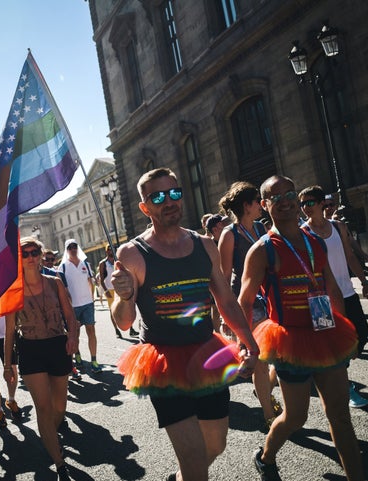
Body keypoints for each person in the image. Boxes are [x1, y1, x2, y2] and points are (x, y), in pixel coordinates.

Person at [111, 168, 259, 481]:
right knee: (194, 460)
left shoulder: (205, 245)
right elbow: (124, 322)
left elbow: (226, 301)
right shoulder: (133, 253)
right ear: (145, 207)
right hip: (164, 364)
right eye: (158, 197)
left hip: (208, 355)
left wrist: (247, 338)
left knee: (215, 446)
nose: (169, 201)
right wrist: (123, 296)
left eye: (174, 193)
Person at [240, 175, 363, 481]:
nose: (285, 201)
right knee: (296, 417)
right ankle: (266, 457)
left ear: (298, 199)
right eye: (275, 197)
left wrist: (343, 333)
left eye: (289, 194)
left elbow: (332, 288)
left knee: (340, 417)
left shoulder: (315, 242)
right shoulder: (262, 250)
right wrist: (247, 347)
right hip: (289, 342)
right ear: (265, 205)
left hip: (325, 335)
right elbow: (243, 302)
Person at [4, 237, 80, 480]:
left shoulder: (54, 282)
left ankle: (50, 434)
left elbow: (71, 317)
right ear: (19, 258)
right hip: (30, 349)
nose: (30, 257)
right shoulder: (13, 290)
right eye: (24, 253)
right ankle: (59, 461)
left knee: (60, 406)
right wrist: (7, 364)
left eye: (34, 252)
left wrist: (73, 338)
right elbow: (8, 331)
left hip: (58, 346)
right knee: (43, 407)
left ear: (40, 254)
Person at [300, 186, 368, 408]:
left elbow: (349, 256)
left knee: (361, 334)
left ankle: (333, 373)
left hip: (347, 292)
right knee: (333, 344)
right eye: (302, 203)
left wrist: (364, 282)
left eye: (310, 202)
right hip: (321, 300)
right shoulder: (303, 233)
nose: (305, 207)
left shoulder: (337, 226)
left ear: (323, 203)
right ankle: (345, 386)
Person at [218, 181, 281, 429]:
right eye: (257, 201)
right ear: (247, 205)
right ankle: (268, 413)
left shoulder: (259, 228)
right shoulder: (229, 234)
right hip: (246, 302)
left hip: (269, 297)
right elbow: (223, 278)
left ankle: (265, 389)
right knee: (261, 357)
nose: (260, 205)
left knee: (278, 351)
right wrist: (225, 315)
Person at [59, 239, 101, 374]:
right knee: (74, 333)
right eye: (69, 247)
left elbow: (90, 282)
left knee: (91, 331)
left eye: (75, 246)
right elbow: (61, 288)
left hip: (87, 304)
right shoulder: (63, 267)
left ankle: (94, 361)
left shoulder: (86, 264)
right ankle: (77, 356)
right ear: (66, 250)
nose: (73, 249)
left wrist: (92, 297)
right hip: (73, 306)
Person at [99, 244, 138, 339]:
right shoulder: (103, 263)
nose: (111, 251)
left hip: (121, 289)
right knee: (113, 310)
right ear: (106, 251)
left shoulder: (119, 261)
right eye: (109, 249)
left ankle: (131, 328)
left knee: (128, 306)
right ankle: (116, 330)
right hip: (110, 289)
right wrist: (106, 290)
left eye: (112, 249)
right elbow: (101, 279)